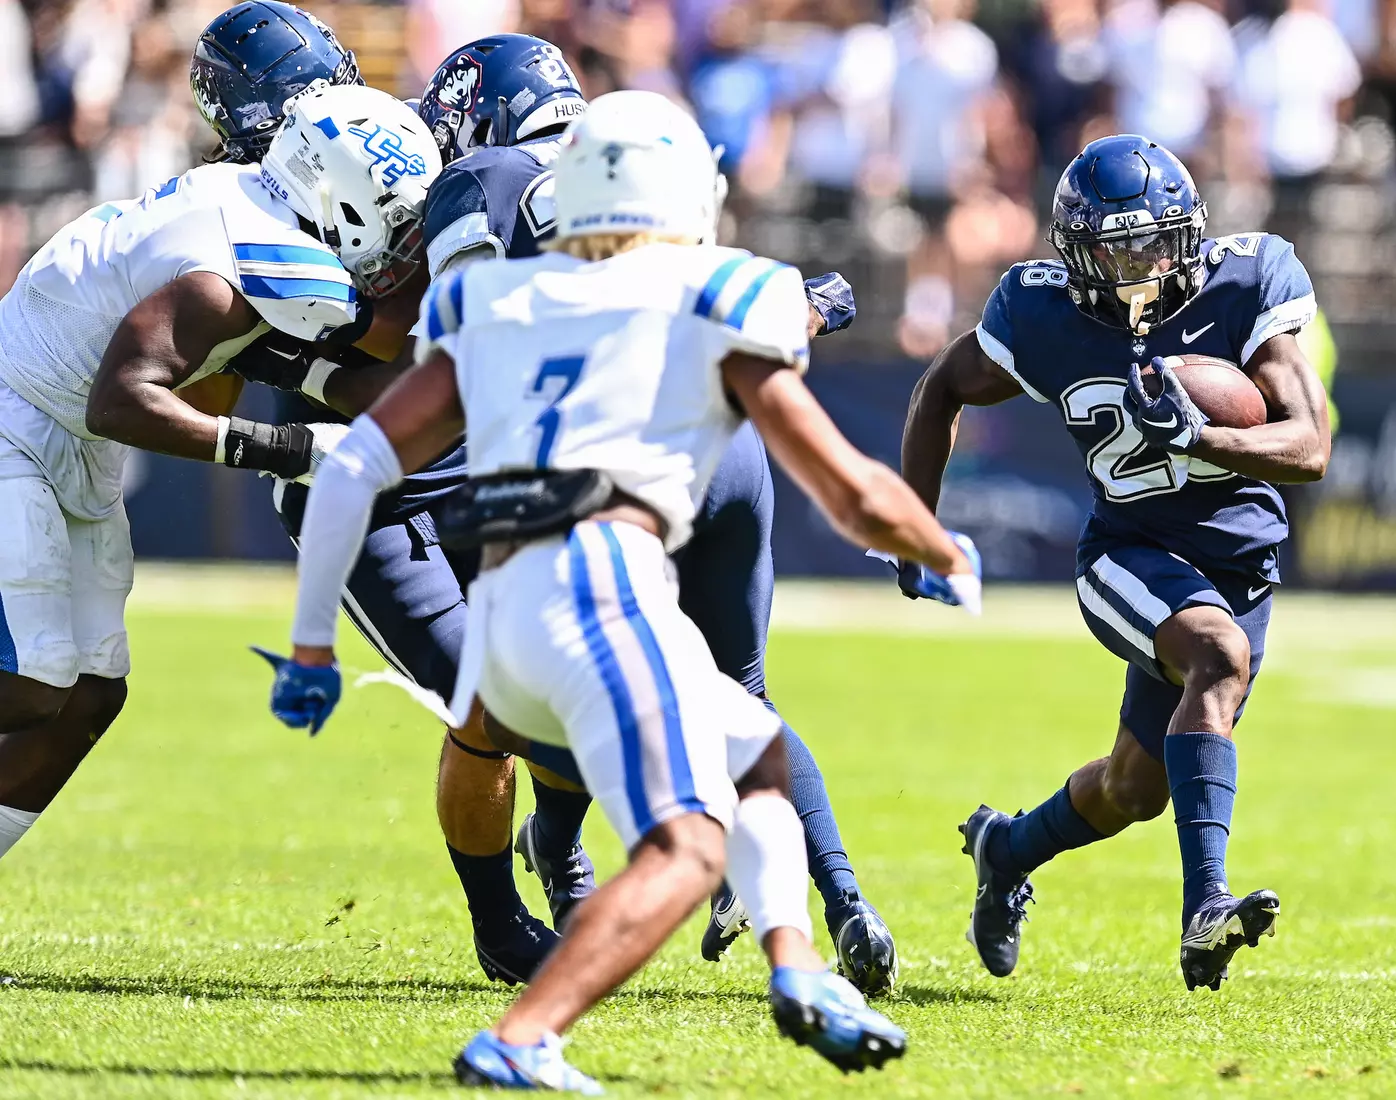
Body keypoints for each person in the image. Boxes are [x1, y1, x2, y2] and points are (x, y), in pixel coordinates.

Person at [262, 89, 981, 1089]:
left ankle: (798, 965)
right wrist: (944, 550)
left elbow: (347, 472)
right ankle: (522, 1035)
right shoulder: (711, 290)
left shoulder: (493, 300)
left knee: (756, 750)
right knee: (689, 843)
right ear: (689, 194)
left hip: (501, 626)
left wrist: (309, 649)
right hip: (601, 587)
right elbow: (851, 490)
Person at [415, 34, 899, 993]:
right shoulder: (639, 147)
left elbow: (464, 332)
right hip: (719, 451)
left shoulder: (477, 180)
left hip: (591, 471)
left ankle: (557, 867)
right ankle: (840, 902)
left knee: (557, 684)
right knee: (740, 694)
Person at [192, 4, 580, 986]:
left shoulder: (409, 148)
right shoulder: (246, 205)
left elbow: (422, 318)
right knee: (485, 705)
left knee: (553, 679)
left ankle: (562, 856)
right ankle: (502, 921)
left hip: (473, 463)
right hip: (368, 497)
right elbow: (217, 381)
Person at [897, 135, 1330, 991]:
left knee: (1134, 789)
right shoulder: (1042, 310)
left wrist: (1201, 436)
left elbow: (1309, 444)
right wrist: (915, 524)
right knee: (1218, 658)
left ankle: (1006, 847)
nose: (1141, 262)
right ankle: (1206, 907)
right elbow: (940, 384)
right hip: (1129, 551)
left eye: (1155, 239)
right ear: (1075, 250)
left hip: (1238, 564)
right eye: (1118, 246)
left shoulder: (1249, 279)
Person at [0, 83, 434, 864]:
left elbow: (338, 376)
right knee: (35, 680)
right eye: (396, 220)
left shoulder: (261, 210)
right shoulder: (237, 257)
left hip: (66, 437)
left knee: (90, 695)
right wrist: (292, 451)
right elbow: (122, 402)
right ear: (335, 193)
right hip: (18, 422)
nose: (404, 245)